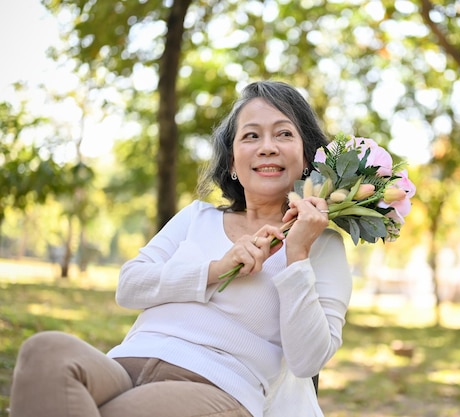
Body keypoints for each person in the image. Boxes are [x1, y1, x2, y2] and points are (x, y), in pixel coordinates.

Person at [9, 80, 353, 417]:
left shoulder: (321, 246)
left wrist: (297, 255)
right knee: (45, 351)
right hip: (124, 365)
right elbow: (130, 286)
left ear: (308, 157)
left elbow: (308, 359)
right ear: (232, 162)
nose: (267, 146)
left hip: (215, 385)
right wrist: (216, 269)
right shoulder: (196, 217)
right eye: (251, 135)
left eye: (283, 134)